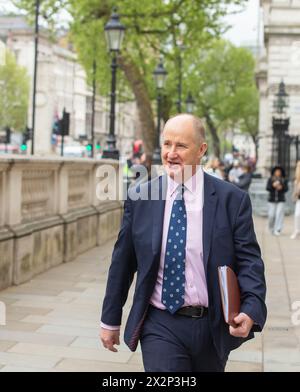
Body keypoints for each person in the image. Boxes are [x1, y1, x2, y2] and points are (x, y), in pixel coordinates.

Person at [100, 114, 267, 372]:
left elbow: (249, 262)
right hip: (160, 323)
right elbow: (122, 263)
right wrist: (110, 320)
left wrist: (251, 308)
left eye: (181, 146)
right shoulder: (141, 198)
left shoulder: (231, 200)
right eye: (167, 144)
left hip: (212, 326)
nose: (171, 153)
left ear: (201, 150)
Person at [266, 166, 289, 236]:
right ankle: (271, 228)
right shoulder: (270, 179)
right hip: (272, 200)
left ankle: (278, 229)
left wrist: (281, 187)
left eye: (279, 171)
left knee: (279, 214)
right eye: (276, 171)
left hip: (281, 200)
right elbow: (267, 188)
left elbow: (286, 189)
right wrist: (273, 186)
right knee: (271, 215)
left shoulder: (284, 180)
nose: (278, 172)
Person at [290, 161, 300, 239]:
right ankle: (297, 231)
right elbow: (295, 192)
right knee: (297, 215)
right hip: (299, 200)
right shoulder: (297, 180)